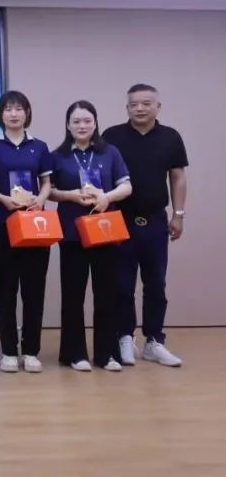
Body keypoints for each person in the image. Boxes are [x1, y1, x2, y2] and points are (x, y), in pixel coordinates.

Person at [103, 84, 187, 368]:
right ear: (127, 108)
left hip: (155, 222)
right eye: (134, 104)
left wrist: (179, 214)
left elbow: (178, 177)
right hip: (120, 220)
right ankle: (124, 337)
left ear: (157, 107)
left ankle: (154, 341)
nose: (140, 108)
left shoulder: (170, 137)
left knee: (156, 283)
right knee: (121, 284)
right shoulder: (112, 136)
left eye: (146, 103)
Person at [49, 100, 132, 372]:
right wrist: (71, 195)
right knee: (73, 294)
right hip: (72, 232)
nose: (82, 126)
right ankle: (74, 353)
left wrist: (107, 197)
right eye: (76, 121)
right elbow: (48, 191)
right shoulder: (57, 155)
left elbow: (126, 186)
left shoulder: (110, 153)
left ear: (95, 123)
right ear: (68, 125)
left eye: (87, 121)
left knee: (106, 292)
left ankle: (107, 354)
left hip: (104, 230)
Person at [0, 91, 53, 374]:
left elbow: (46, 182)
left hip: (34, 226)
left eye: (19, 109)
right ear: (1, 114)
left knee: (34, 290)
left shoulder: (39, 146)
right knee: (5, 289)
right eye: (8, 109)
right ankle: (8, 351)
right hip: (2, 223)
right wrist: (3, 199)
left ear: (27, 113)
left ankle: (31, 351)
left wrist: (39, 200)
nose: (14, 114)